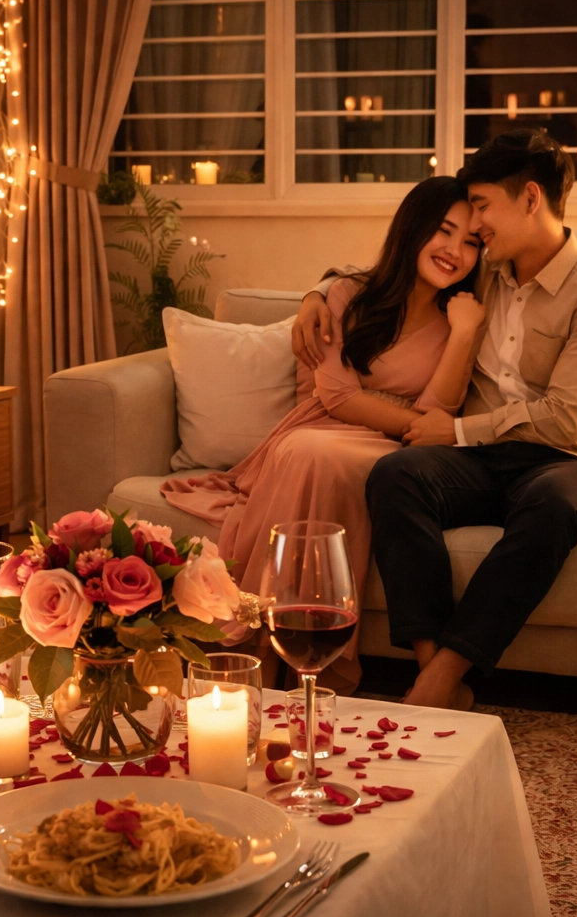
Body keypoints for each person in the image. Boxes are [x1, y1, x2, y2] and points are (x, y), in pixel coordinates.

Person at [292, 130, 577, 708]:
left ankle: (439, 679)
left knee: (553, 504)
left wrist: (455, 431)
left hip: (573, 460)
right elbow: (396, 270)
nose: (474, 227)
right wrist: (318, 293)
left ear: (530, 198)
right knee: (397, 475)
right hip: (484, 461)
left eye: (482, 207)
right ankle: (432, 667)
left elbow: (565, 420)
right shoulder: (484, 273)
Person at [162, 177, 485, 694]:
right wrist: (421, 426)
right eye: (444, 232)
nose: (455, 251)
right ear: (414, 227)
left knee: (329, 460)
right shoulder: (347, 295)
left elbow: (438, 410)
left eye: (471, 242)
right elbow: (336, 395)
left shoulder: (462, 317)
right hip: (325, 425)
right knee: (310, 450)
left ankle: (289, 646)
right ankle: (261, 645)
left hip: (390, 448)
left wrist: (465, 333)